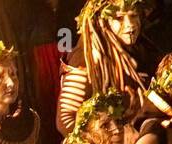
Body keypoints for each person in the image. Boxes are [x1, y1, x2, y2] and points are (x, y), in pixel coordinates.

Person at [57, 0, 156, 135]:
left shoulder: (144, 49)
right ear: (102, 21)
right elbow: (65, 119)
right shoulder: (87, 58)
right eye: (119, 18)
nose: (130, 25)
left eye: (134, 16)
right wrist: (110, 138)